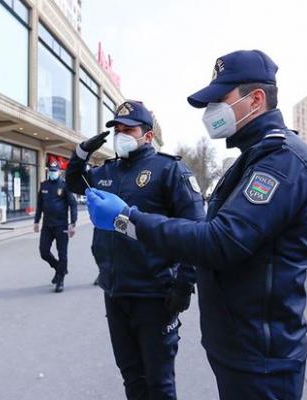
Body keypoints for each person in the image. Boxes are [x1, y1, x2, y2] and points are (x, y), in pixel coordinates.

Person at [85, 50, 307, 400]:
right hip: (238, 344)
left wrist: (129, 220)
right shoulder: (251, 158)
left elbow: (219, 240)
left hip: (261, 356)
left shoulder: (283, 159)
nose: (210, 110)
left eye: (219, 99)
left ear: (256, 100)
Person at [66, 100, 205, 400]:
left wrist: (184, 287)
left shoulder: (170, 170)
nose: (120, 135)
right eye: (117, 130)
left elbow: (196, 233)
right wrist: (80, 153)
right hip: (115, 293)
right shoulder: (107, 171)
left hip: (155, 296)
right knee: (131, 377)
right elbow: (74, 182)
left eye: (128, 129)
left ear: (148, 135)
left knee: (159, 384)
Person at [34, 161, 78, 292]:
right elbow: (39, 205)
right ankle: (60, 268)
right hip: (47, 225)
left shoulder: (65, 186)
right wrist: (36, 221)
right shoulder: (44, 185)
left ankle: (60, 280)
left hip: (61, 225)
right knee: (44, 252)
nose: (53, 173)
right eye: (51, 170)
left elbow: (73, 205)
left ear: (59, 172)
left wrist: (73, 223)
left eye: (55, 171)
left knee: (62, 253)